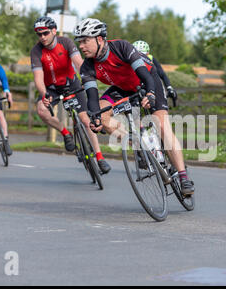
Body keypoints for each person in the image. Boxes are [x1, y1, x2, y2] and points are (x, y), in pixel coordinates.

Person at [73, 18, 194, 195]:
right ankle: (138, 142)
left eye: (85, 41)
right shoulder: (87, 67)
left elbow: (145, 74)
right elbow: (92, 98)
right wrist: (95, 118)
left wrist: (150, 94)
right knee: (102, 115)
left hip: (147, 80)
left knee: (161, 125)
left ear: (99, 39)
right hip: (122, 88)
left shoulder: (121, 47)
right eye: (79, 42)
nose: (81, 46)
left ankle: (183, 176)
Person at [30, 16, 111, 174]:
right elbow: (38, 78)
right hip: (51, 88)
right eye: (39, 34)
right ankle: (65, 133)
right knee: (41, 110)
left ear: (54, 31)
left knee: (86, 121)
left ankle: (100, 158)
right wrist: (44, 94)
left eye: (45, 33)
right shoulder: (36, 51)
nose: (42, 37)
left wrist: (86, 79)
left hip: (71, 83)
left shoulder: (66, 43)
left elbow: (79, 63)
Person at [132, 40, 177, 104]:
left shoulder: (151, 58)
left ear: (148, 53)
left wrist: (169, 87)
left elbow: (162, 74)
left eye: (143, 55)